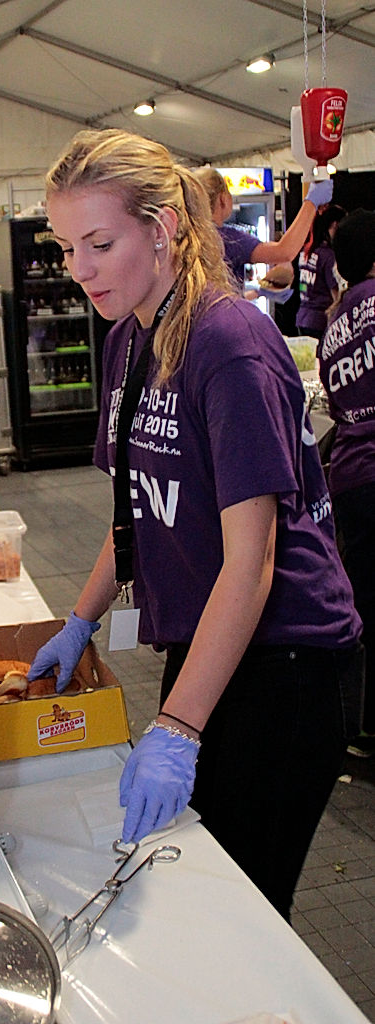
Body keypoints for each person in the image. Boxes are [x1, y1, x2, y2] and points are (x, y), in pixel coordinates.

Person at [27, 128, 363, 920]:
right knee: (200, 885)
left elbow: (252, 561)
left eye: (99, 243)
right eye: (68, 246)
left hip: (286, 659)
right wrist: (78, 620)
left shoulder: (228, 341)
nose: (79, 270)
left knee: (240, 906)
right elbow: (136, 513)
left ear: (164, 227)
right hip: (209, 640)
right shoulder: (128, 340)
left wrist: (177, 727)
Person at [318, 208, 375, 758]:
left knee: (366, 602)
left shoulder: (337, 321)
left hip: (354, 479)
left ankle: (360, 724)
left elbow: (338, 406)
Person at [193, 166, 333, 299]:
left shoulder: (188, 236)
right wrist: (311, 202)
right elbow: (284, 252)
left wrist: (258, 292)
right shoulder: (228, 239)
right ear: (223, 198)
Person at [296, 204, 346, 339]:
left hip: (302, 316)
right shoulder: (328, 256)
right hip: (321, 320)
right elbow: (336, 294)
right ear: (335, 225)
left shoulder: (306, 251)